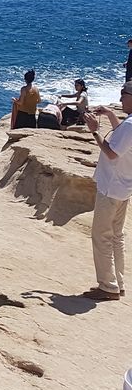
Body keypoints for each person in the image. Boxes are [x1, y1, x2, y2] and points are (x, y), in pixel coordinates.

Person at [81, 81, 132, 301]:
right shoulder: (128, 124)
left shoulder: (130, 125)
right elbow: (122, 138)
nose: (120, 99)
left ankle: (107, 287)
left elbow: (112, 153)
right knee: (116, 236)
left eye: (123, 95)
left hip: (111, 188)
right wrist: (110, 115)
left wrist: (95, 131)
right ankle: (118, 283)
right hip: (123, 188)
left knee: (101, 236)